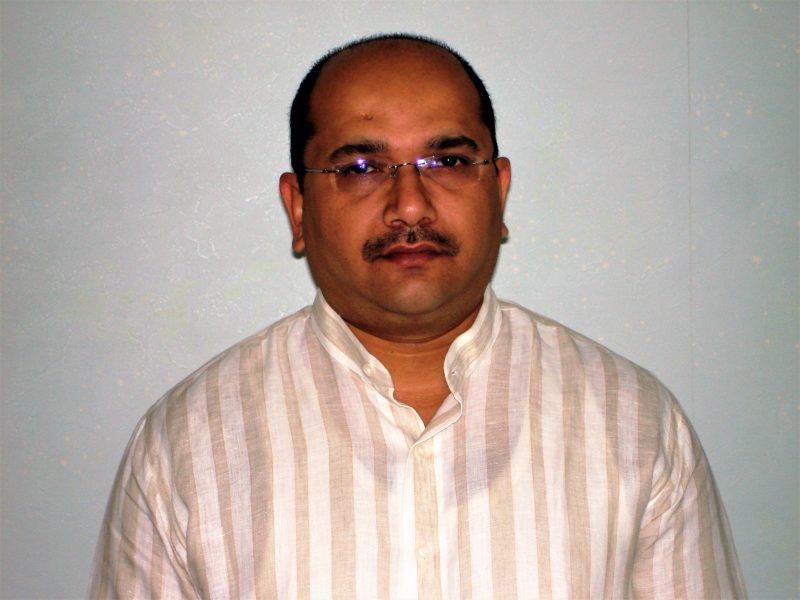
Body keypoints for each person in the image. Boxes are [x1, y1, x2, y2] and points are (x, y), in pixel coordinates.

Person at [89, 34, 746, 599]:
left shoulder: (634, 425)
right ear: (298, 208)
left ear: (499, 190)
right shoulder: (188, 446)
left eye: (449, 161)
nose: (409, 205)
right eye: (361, 167)